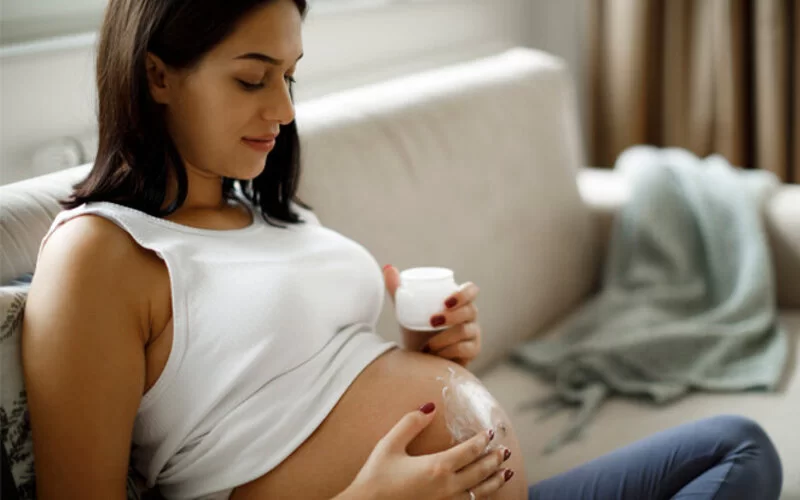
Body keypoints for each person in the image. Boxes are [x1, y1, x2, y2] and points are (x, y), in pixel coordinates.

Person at [20, 0, 783, 499]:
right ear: (157, 74)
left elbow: (319, 384)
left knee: (738, 448)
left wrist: (427, 351)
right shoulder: (103, 256)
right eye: (253, 79)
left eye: (289, 77)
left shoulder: (267, 212)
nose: (284, 110)